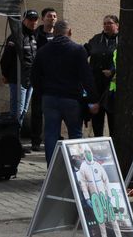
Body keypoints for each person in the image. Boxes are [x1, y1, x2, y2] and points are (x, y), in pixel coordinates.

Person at [31, 19, 99, 165]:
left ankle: (51, 170)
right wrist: (93, 99)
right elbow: (87, 77)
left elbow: (34, 76)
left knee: (50, 134)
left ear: (54, 32)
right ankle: (77, 170)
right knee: (75, 134)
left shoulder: (43, 50)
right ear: (70, 32)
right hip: (72, 99)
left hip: (49, 98)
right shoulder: (78, 50)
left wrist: (43, 92)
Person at [75, 145, 122, 237]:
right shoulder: (83, 167)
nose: (88, 154)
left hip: (103, 194)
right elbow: (83, 184)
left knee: (112, 217)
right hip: (94, 196)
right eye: (86, 152)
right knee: (100, 220)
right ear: (84, 154)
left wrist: (108, 194)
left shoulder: (97, 165)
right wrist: (87, 198)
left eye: (89, 152)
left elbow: (106, 180)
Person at [0, 9, 38, 127]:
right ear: (24, 20)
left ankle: (17, 132)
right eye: (30, 20)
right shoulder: (15, 37)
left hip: (30, 78)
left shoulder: (35, 36)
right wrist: (5, 74)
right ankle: (14, 136)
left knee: (24, 109)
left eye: (35, 20)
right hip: (17, 79)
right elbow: (6, 58)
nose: (33, 22)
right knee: (17, 110)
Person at [84, 14, 119, 137]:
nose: (106, 26)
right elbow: (84, 53)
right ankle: (98, 143)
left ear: (117, 25)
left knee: (114, 121)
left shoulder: (123, 40)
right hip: (97, 85)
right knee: (97, 118)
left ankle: (115, 147)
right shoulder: (96, 39)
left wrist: (113, 71)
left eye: (109, 23)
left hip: (113, 88)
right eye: (104, 23)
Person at [30, 7, 58, 151]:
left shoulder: (60, 36)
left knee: (54, 111)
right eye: (49, 16)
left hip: (56, 80)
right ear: (43, 19)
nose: (52, 18)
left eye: (54, 16)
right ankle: (35, 140)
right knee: (37, 111)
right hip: (40, 79)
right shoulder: (36, 35)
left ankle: (54, 137)